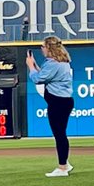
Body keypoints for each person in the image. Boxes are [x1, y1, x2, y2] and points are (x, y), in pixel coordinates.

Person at [26, 36, 74, 177]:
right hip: (64, 101)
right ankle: (65, 162)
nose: (42, 49)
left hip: (57, 102)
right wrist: (35, 65)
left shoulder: (52, 63)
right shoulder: (62, 61)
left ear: (49, 48)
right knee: (61, 134)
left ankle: (62, 167)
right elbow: (46, 75)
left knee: (59, 135)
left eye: (43, 46)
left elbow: (38, 79)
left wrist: (30, 66)